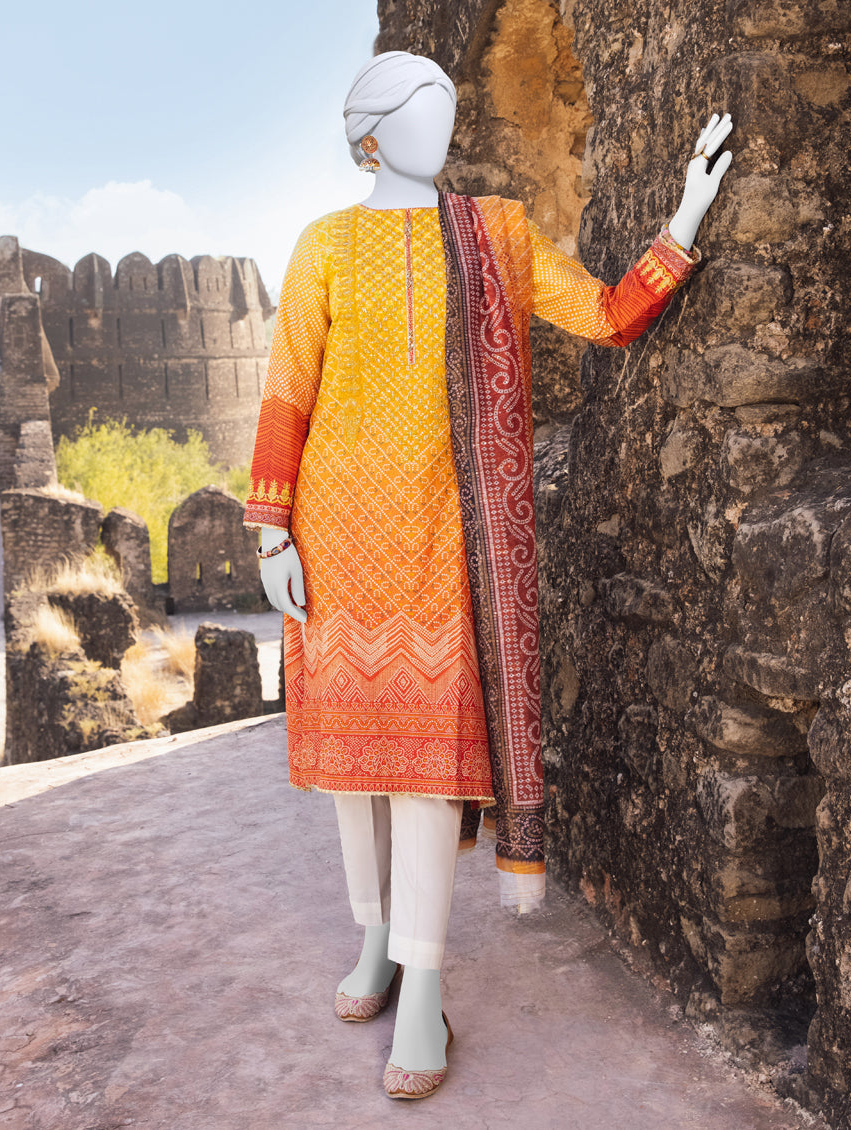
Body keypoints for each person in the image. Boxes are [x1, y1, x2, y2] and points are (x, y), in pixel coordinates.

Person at [245, 50, 733, 1100]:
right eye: (418, 109)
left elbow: (605, 314)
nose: (440, 126)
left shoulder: (497, 234)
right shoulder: (323, 244)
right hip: (336, 539)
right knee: (356, 770)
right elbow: (288, 392)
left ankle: (423, 983)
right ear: (368, 136)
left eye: (448, 108)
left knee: (429, 766)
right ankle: (375, 940)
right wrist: (272, 533)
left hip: (445, 541)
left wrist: (685, 219)